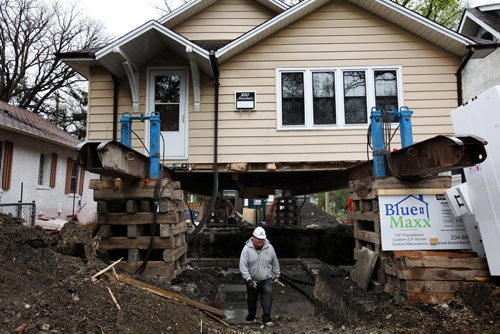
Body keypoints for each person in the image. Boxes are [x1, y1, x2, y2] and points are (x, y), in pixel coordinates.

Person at [239, 226, 280, 327]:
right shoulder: (246, 249)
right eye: (258, 239)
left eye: (262, 239)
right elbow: (242, 265)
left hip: (266, 278)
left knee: (267, 298)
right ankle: (251, 316)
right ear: (253, 237)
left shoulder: (270, 248)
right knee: (251, 299)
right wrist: (248, 279)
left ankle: (266, 318)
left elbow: (275, 262)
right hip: (252, 279)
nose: (261, 241)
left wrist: (276, 274)